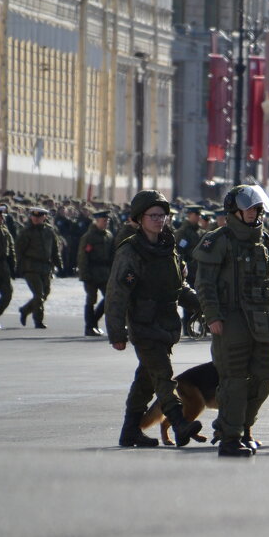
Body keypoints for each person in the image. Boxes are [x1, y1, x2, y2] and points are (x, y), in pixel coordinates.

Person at [193, 184, 269, 457]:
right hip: (231, 320)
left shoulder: (264, 240)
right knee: (234, 380)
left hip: (263, 320)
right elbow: (204, 284)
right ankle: (231, 437)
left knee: (266, 374)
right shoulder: (218, 240)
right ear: (234, 210)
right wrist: (212, 316)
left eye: (257, 208)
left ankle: (242, 425)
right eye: (249, 208)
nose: (254, 213)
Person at [105, 190, 204, 448]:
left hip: (167, 324)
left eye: (162, 215)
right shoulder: (130, 251)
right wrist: (117, 333)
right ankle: (179, 421)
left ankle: (130, 432)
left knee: (145, 381)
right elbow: (117, 294)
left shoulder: (167, 247)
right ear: (139, 218)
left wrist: (200, 304)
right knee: (163, 375)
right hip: (144, 325)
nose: (159, 220)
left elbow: (178, 286)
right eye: (153, 216)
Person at [15, 207, 62, 328]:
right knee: (38, 294)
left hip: (45, 267)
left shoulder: (49, 231)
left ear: (44, 217)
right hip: (30, 267)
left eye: (39, 217)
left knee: (45, 293)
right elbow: (19, 250)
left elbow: (55, 250)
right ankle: (38, 320)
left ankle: (25, 310)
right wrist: (17, 266)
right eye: (34, 216)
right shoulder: (26, 232)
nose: (36, 219)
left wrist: (58, 263)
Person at [77, 209, 115, 336]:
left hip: (105, 273)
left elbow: (112, 255)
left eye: (107, 221)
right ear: (97, 221)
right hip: (91, 273)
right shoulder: (89, 236)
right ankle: (89, 327)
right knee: (91, 300)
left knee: (109, 298)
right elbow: (83, 256)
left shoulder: (109, 235)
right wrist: (84, 274)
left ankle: (93, 322)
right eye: (104, 221)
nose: (106, 223)